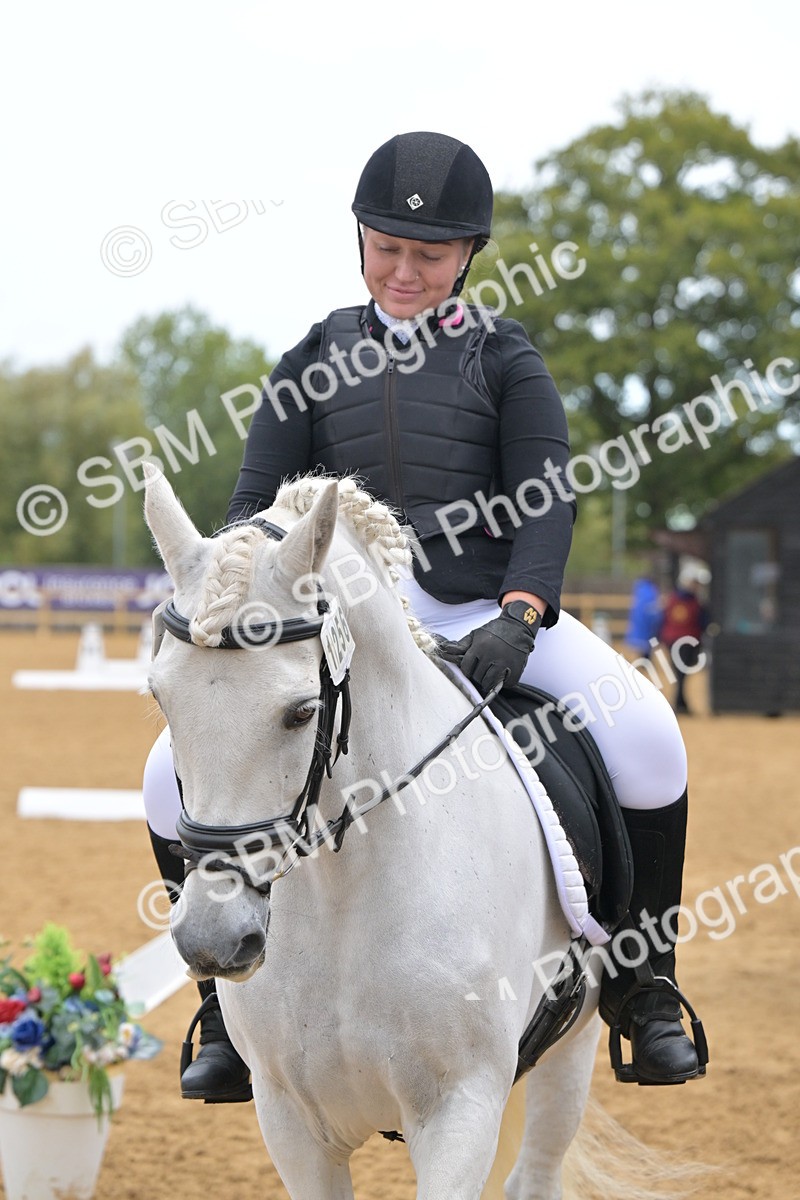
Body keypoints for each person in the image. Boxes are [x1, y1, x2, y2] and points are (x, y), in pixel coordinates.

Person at [143, 131, 705, 1100]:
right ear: (359, 241)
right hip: (338, 622)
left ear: (468, 256)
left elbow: (545, 497)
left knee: (652, 741)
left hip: (481, 606)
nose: (404, 271)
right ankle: (221, 1005)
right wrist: (236, 601)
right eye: (386, 248)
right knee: (165, 777)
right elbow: (250, 513)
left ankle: (641, 986)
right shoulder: (308, 359)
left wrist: (521, 615)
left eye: (429, 254)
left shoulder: (506, 360)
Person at [660, 563, 711, 715]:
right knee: (681, 674)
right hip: (684, 640)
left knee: (680, 673)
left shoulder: (674, 599)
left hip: (674, 639)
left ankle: (680, 702)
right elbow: (701, 621)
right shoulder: (691, 602)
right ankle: (679, 703)